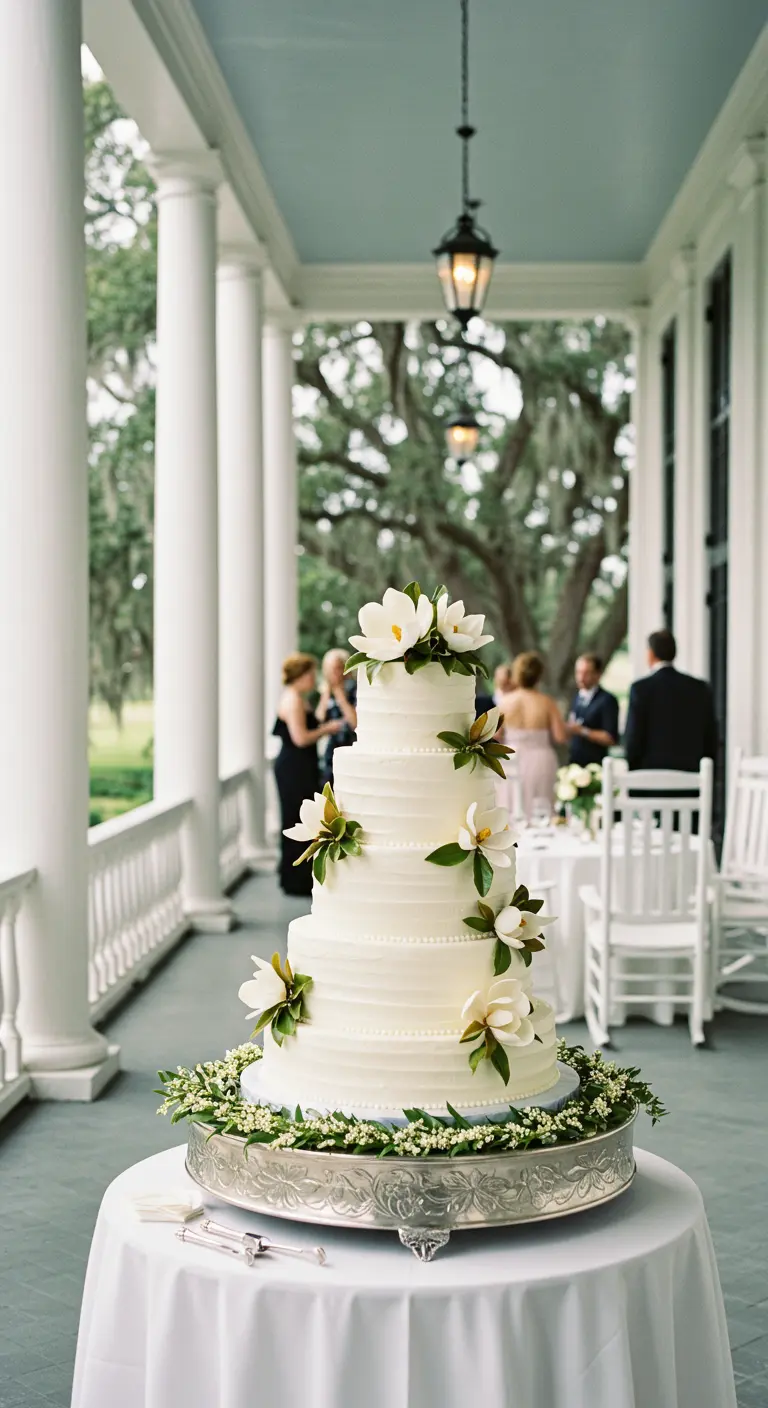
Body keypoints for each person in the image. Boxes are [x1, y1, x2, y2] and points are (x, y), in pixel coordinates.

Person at [273, 653, 343, 897]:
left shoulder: (300, 699)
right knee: (294, 819)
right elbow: (301, 738)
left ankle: (300, 876)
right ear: (300, 676)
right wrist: (328, 730)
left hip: (302, 765)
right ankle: (294, 879)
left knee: (302, 819)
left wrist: (325, 696)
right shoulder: (292, 700)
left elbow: (315, 721)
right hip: (293, 767)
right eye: (310, 674)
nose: (314, 679)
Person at [623, 629, 718, 772]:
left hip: (649, 781)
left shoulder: (640, 689)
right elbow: (711, 737)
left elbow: (633, 738)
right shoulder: (700, 688)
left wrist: (632, 770)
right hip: (693, 780)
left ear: (650, 654)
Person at [495, 652, 566, 821]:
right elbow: (560, 736)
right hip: (540, 759)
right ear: (539, 675)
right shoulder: (547, 702)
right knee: (541, 810)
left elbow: (496, 734)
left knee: (511, 808)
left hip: (511, 758)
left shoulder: (505, 702)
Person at [565, 654, 619, 767]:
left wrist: (583, 731)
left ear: (598, 675)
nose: (581, 677)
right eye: (578, 672)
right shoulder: (576, 697)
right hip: (574, 763)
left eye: (586, 673)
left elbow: (610, 738)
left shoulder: (607, 700)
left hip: (596, 765)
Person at [316, 648, 357, 787]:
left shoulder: (353, 689)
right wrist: (326, 694)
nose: (334, 673)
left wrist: (340, 696)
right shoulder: (326, 690)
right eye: (330, 669)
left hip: (351, 750)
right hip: (331, 752)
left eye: (338, 668)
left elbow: (355, 723)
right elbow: (319, 720)